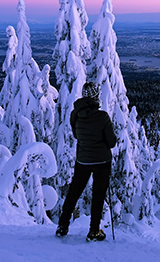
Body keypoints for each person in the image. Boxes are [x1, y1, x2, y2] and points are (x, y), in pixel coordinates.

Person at [56, 82, 117, 242]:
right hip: (102, 161)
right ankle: (94, 231)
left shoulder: (75, 115)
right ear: (96, 96)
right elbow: (111, 142)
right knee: (98, 195)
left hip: (82, 160)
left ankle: (62, 226)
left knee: (74, 192)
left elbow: (77, 136)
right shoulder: (102, 116)